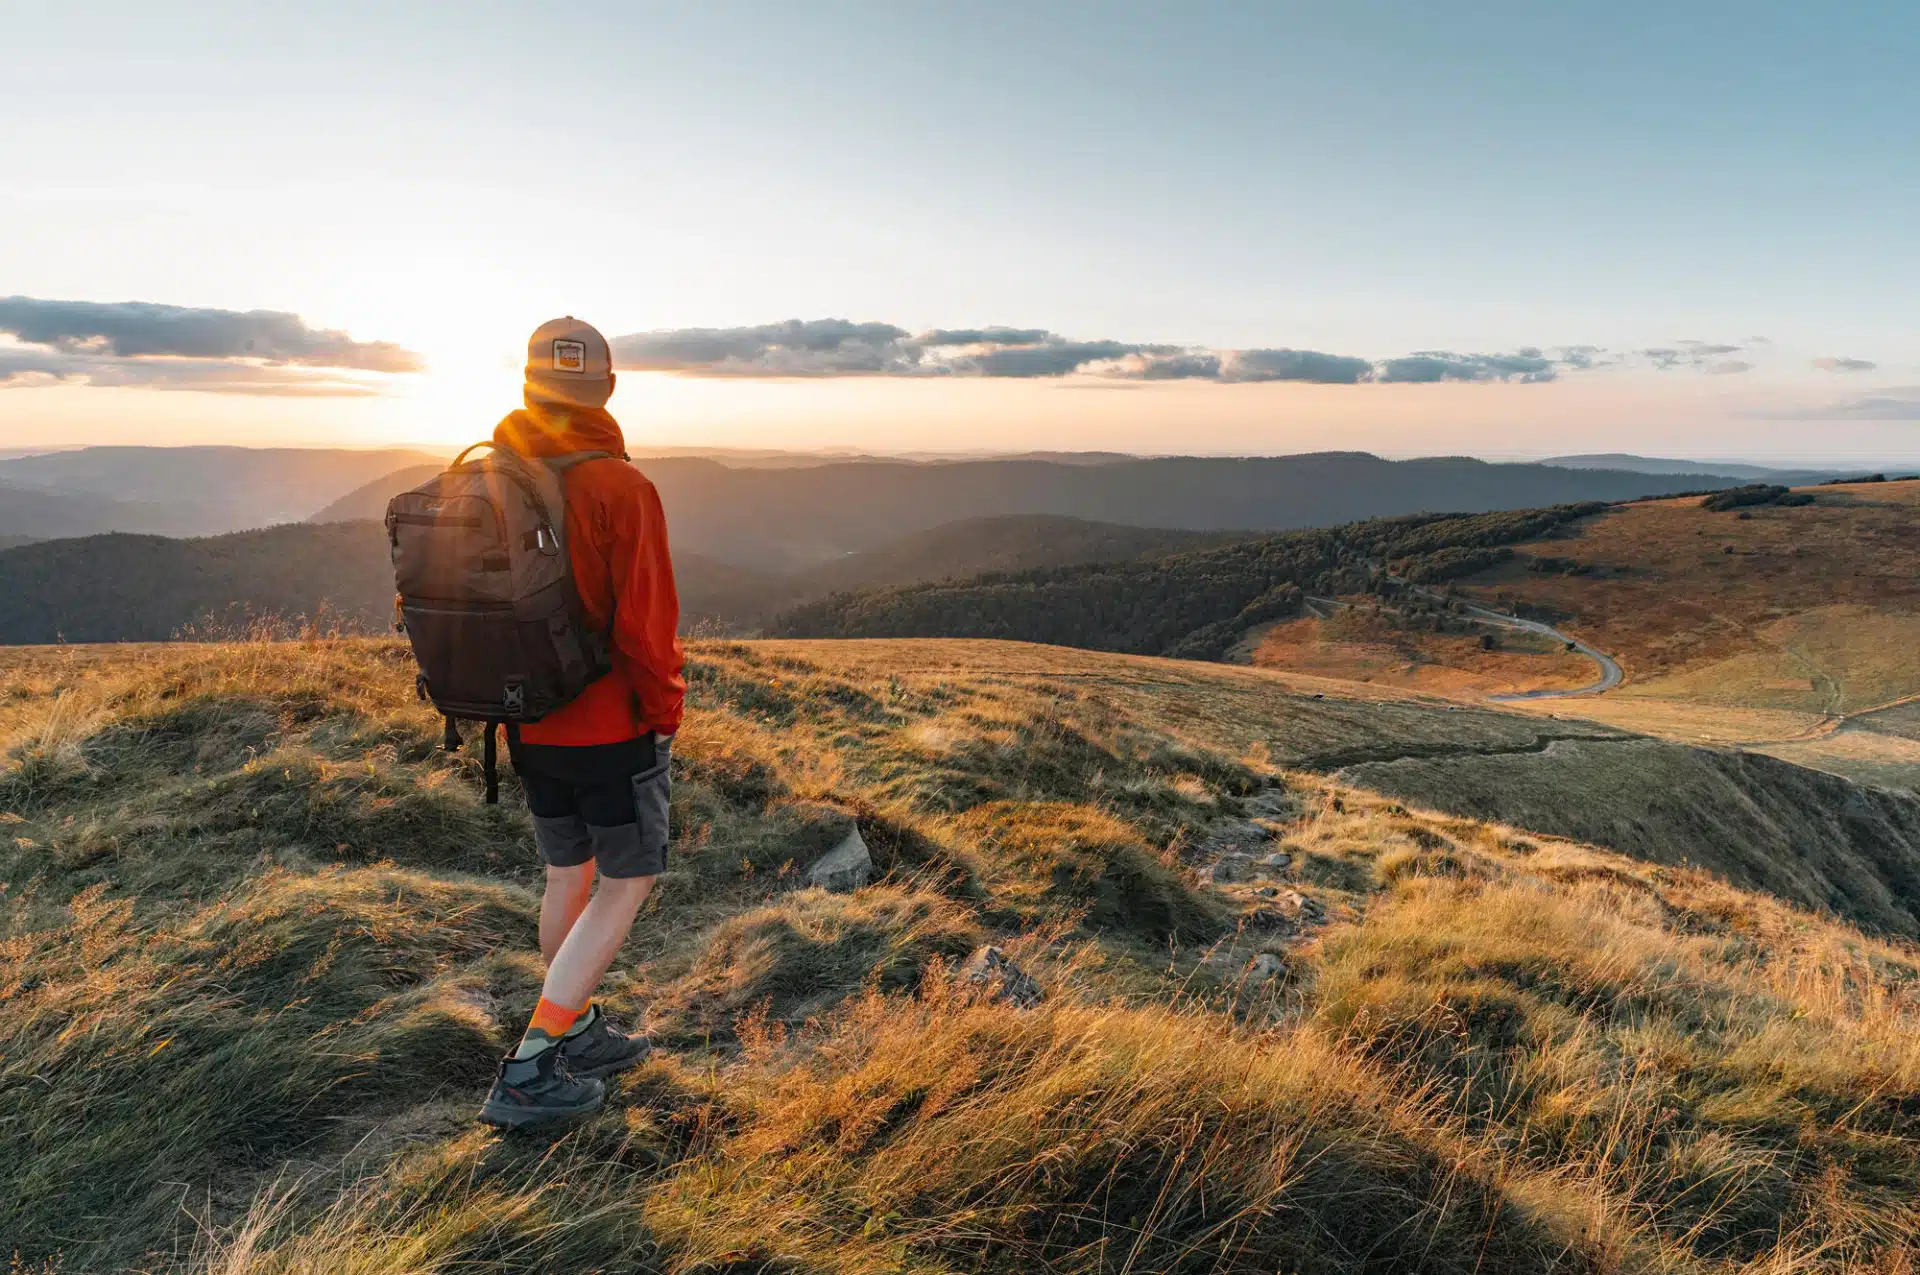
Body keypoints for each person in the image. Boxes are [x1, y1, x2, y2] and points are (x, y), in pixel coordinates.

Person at [477, 316, 685, 1128]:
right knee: (625, 883)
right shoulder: (624, 491)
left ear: (530, 385)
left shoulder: (496, 477)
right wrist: (665, 716)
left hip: (529, 725)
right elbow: (646, 633)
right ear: (607, 389)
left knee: (569, 876)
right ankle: (531, 1066)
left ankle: (578, 1028)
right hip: (611, 731)